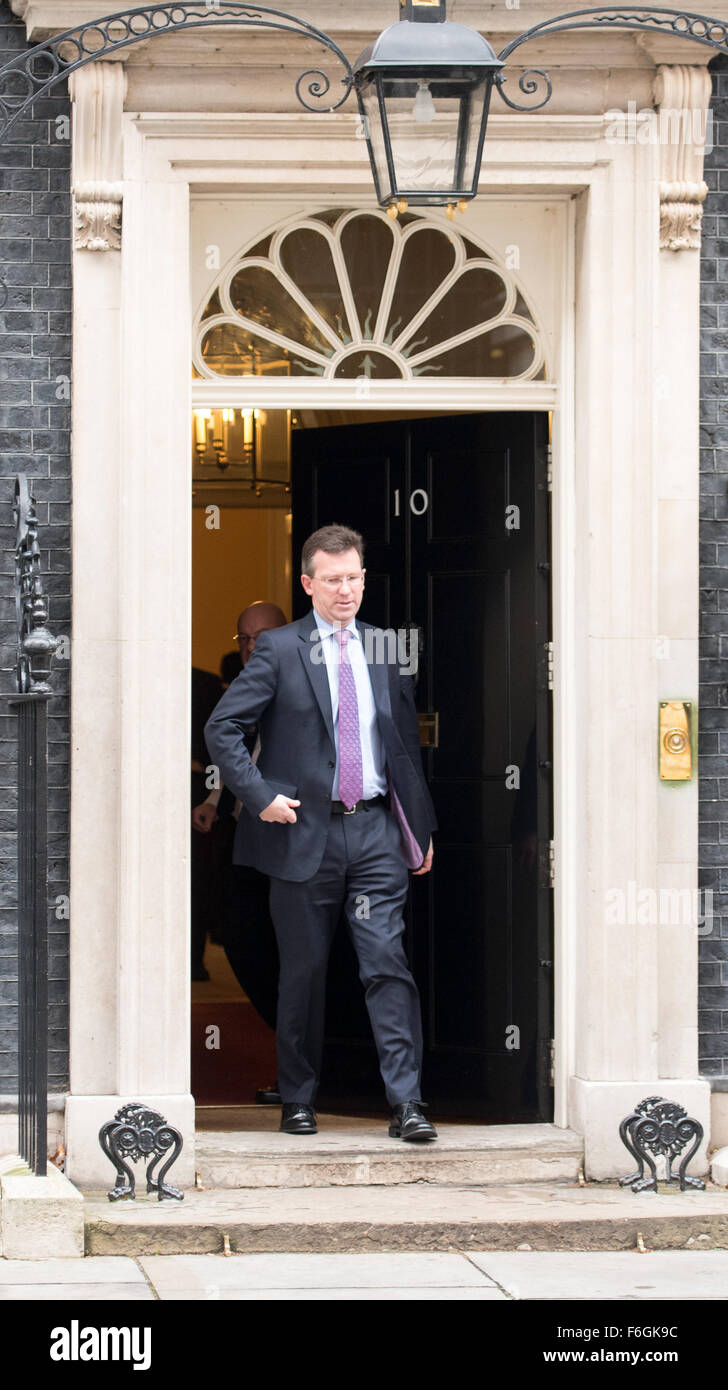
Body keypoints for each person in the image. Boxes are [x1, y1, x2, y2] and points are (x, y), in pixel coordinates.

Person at [204, 524, 438, 1142]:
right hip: (304, 835)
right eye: (333, 580)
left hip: (376, 834)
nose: (346, 590)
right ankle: (298, 1098)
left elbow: (402, 747)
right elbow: (222, 729)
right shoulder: (280, 649)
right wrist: (259, 797)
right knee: (303, 973)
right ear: (308, 584)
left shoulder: (386, 647)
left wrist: (419, 827)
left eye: (355, 578)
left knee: (387, 963)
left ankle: (407, 1103)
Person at [192, 602, 287, 1102]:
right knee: (245, 945)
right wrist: (212, 800)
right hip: (243, 837)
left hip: (291, 841)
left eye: (261, 637)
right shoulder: (239, 694)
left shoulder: (299, 685)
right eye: (243, 639)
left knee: (291, 956)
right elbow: (239, 755)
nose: (251, 647)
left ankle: (303, 1073)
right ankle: (295, 1062)